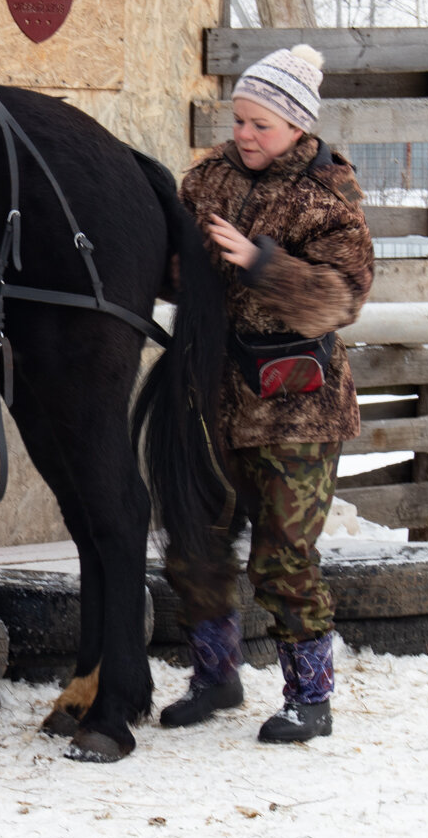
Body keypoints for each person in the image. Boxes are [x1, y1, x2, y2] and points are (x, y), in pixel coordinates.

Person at [158, 43, 373, 743]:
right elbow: (176, 265)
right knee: (198, 542)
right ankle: (215, 676)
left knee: (283, 556)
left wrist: (259, 263)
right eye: (240, 119)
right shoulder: (206, 180)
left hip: (295, 410)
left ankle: (310, 696)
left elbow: (339, 298)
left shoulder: (326, 199)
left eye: (262, 124)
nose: (245, 134)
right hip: (209, 397)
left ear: (298, 127)